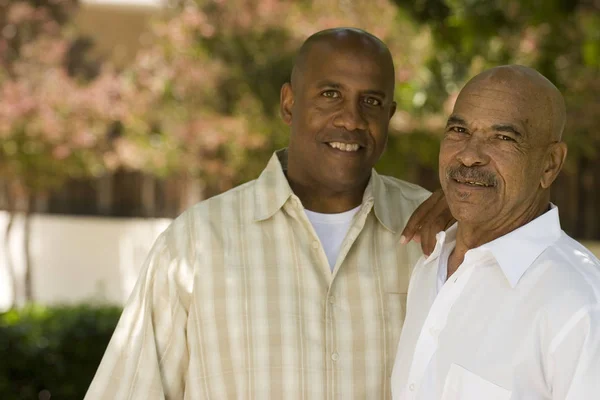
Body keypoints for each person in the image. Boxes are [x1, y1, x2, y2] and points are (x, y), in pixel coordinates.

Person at [85, 28, 450, 399]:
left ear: (389, 115)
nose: (351, 120)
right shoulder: (194, 244)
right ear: (289, 103)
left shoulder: (441, 236)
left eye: (371, 101)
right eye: (330, 94)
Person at [391, 65, 600, 399]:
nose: (470, 155)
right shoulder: (432, 264)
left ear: (549, 164)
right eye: (459, 130)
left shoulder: (580, 303)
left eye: (503, 138)